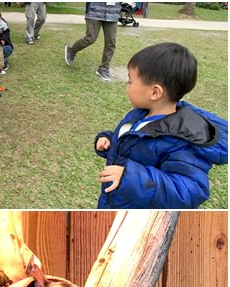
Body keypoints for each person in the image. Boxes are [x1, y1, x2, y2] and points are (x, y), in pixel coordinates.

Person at [93, 42, 228, 209]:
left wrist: (129, 177)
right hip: (117, 201)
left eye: (130, 81)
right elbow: (131, 143)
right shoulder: (141, 114)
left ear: (155, 92)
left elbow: (187, 190)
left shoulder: (181, 139)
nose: (127, 87)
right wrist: (109, 140)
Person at [65, 2, 121, 82]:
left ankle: (103, 68)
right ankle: (72, 50)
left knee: (111, 43)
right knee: (90, 38)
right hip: (94, 11)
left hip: (113, 13)